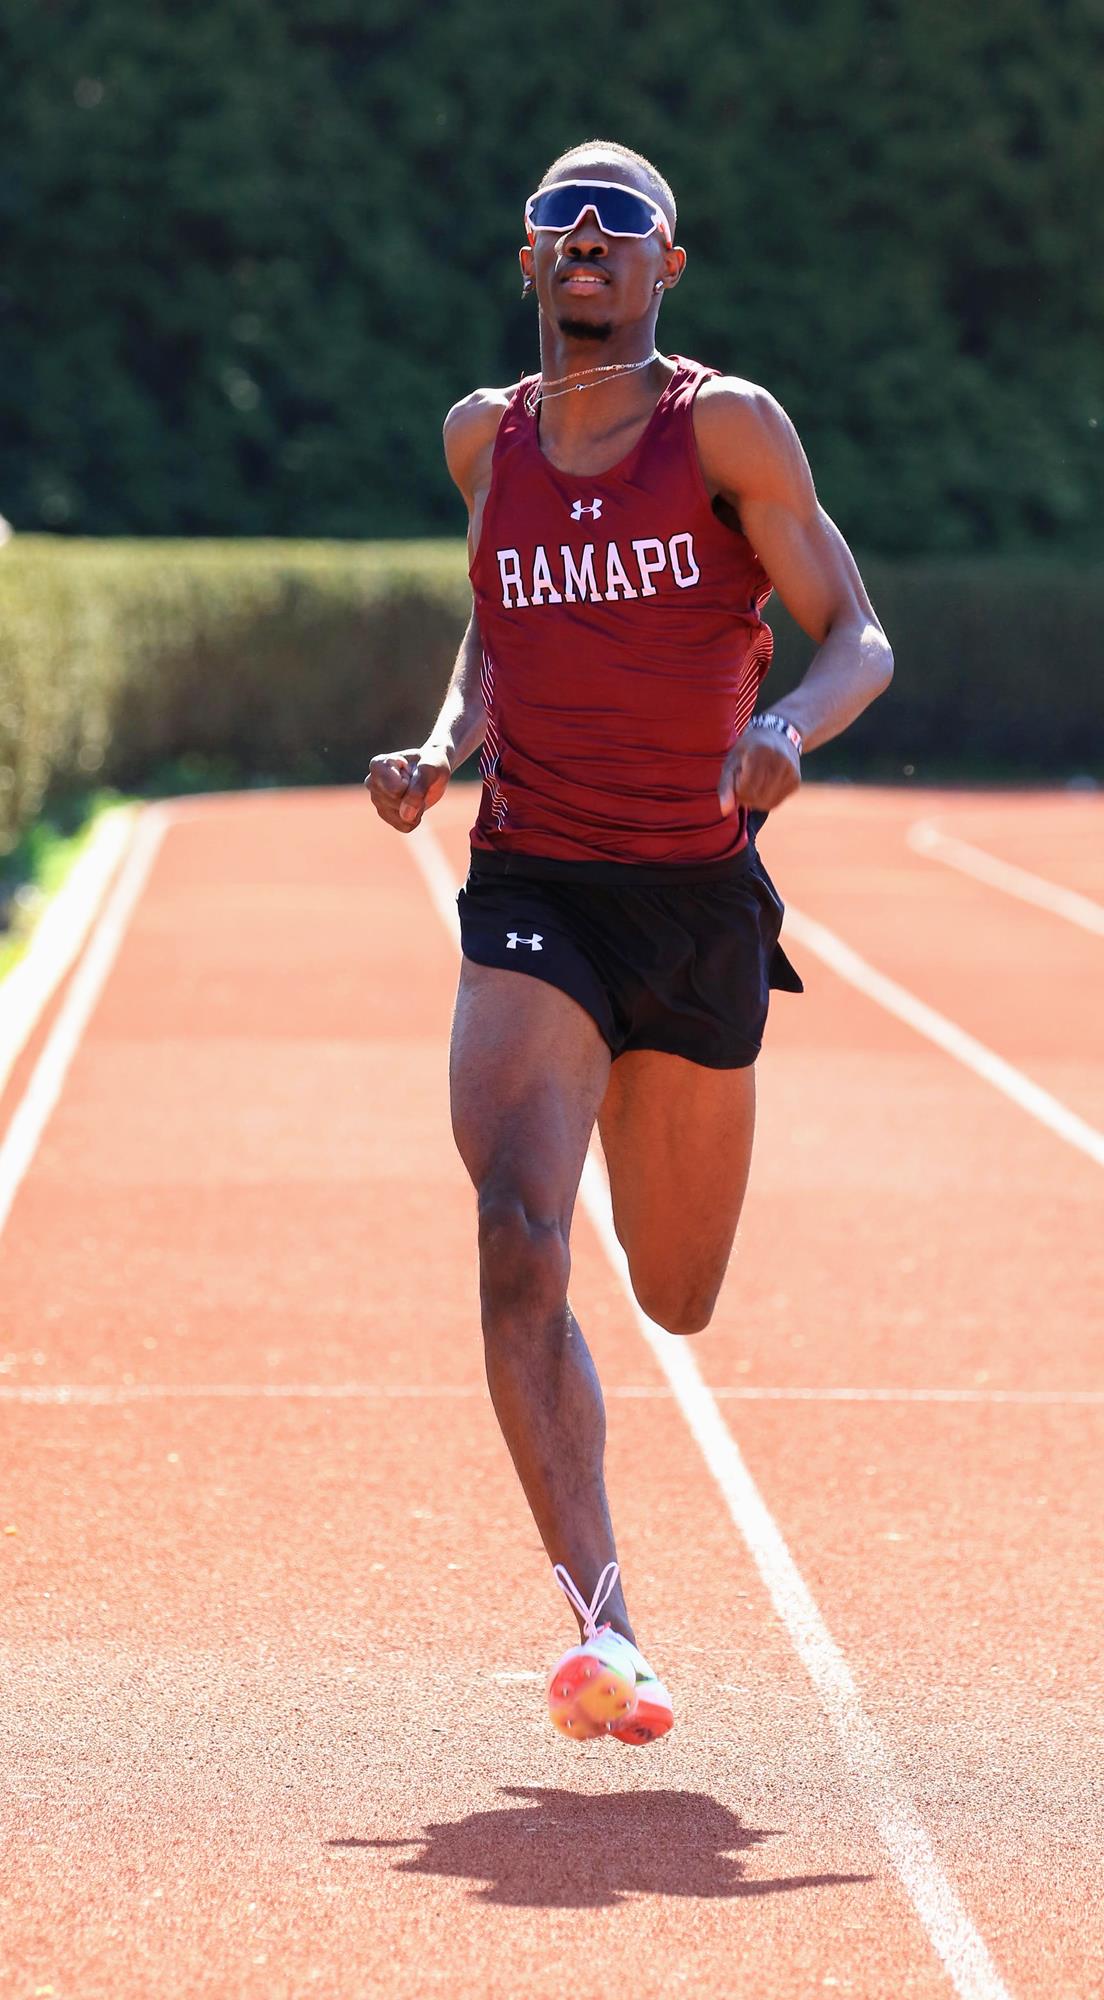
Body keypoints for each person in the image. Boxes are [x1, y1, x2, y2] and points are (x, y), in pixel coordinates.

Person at [368, 140, 892, 1745]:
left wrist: (791, 731)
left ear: (672, 263)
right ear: (528, 262)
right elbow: (496, 623)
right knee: (520, 1232)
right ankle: (607, 1632)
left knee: (676, 1293)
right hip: (536, 879)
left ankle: (649, 1137)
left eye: (622, 222)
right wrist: (448, 745)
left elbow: (856, 633)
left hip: (695, 899)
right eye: (558, 219)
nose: (587, 238)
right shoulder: (483, 440)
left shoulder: (722, 427)